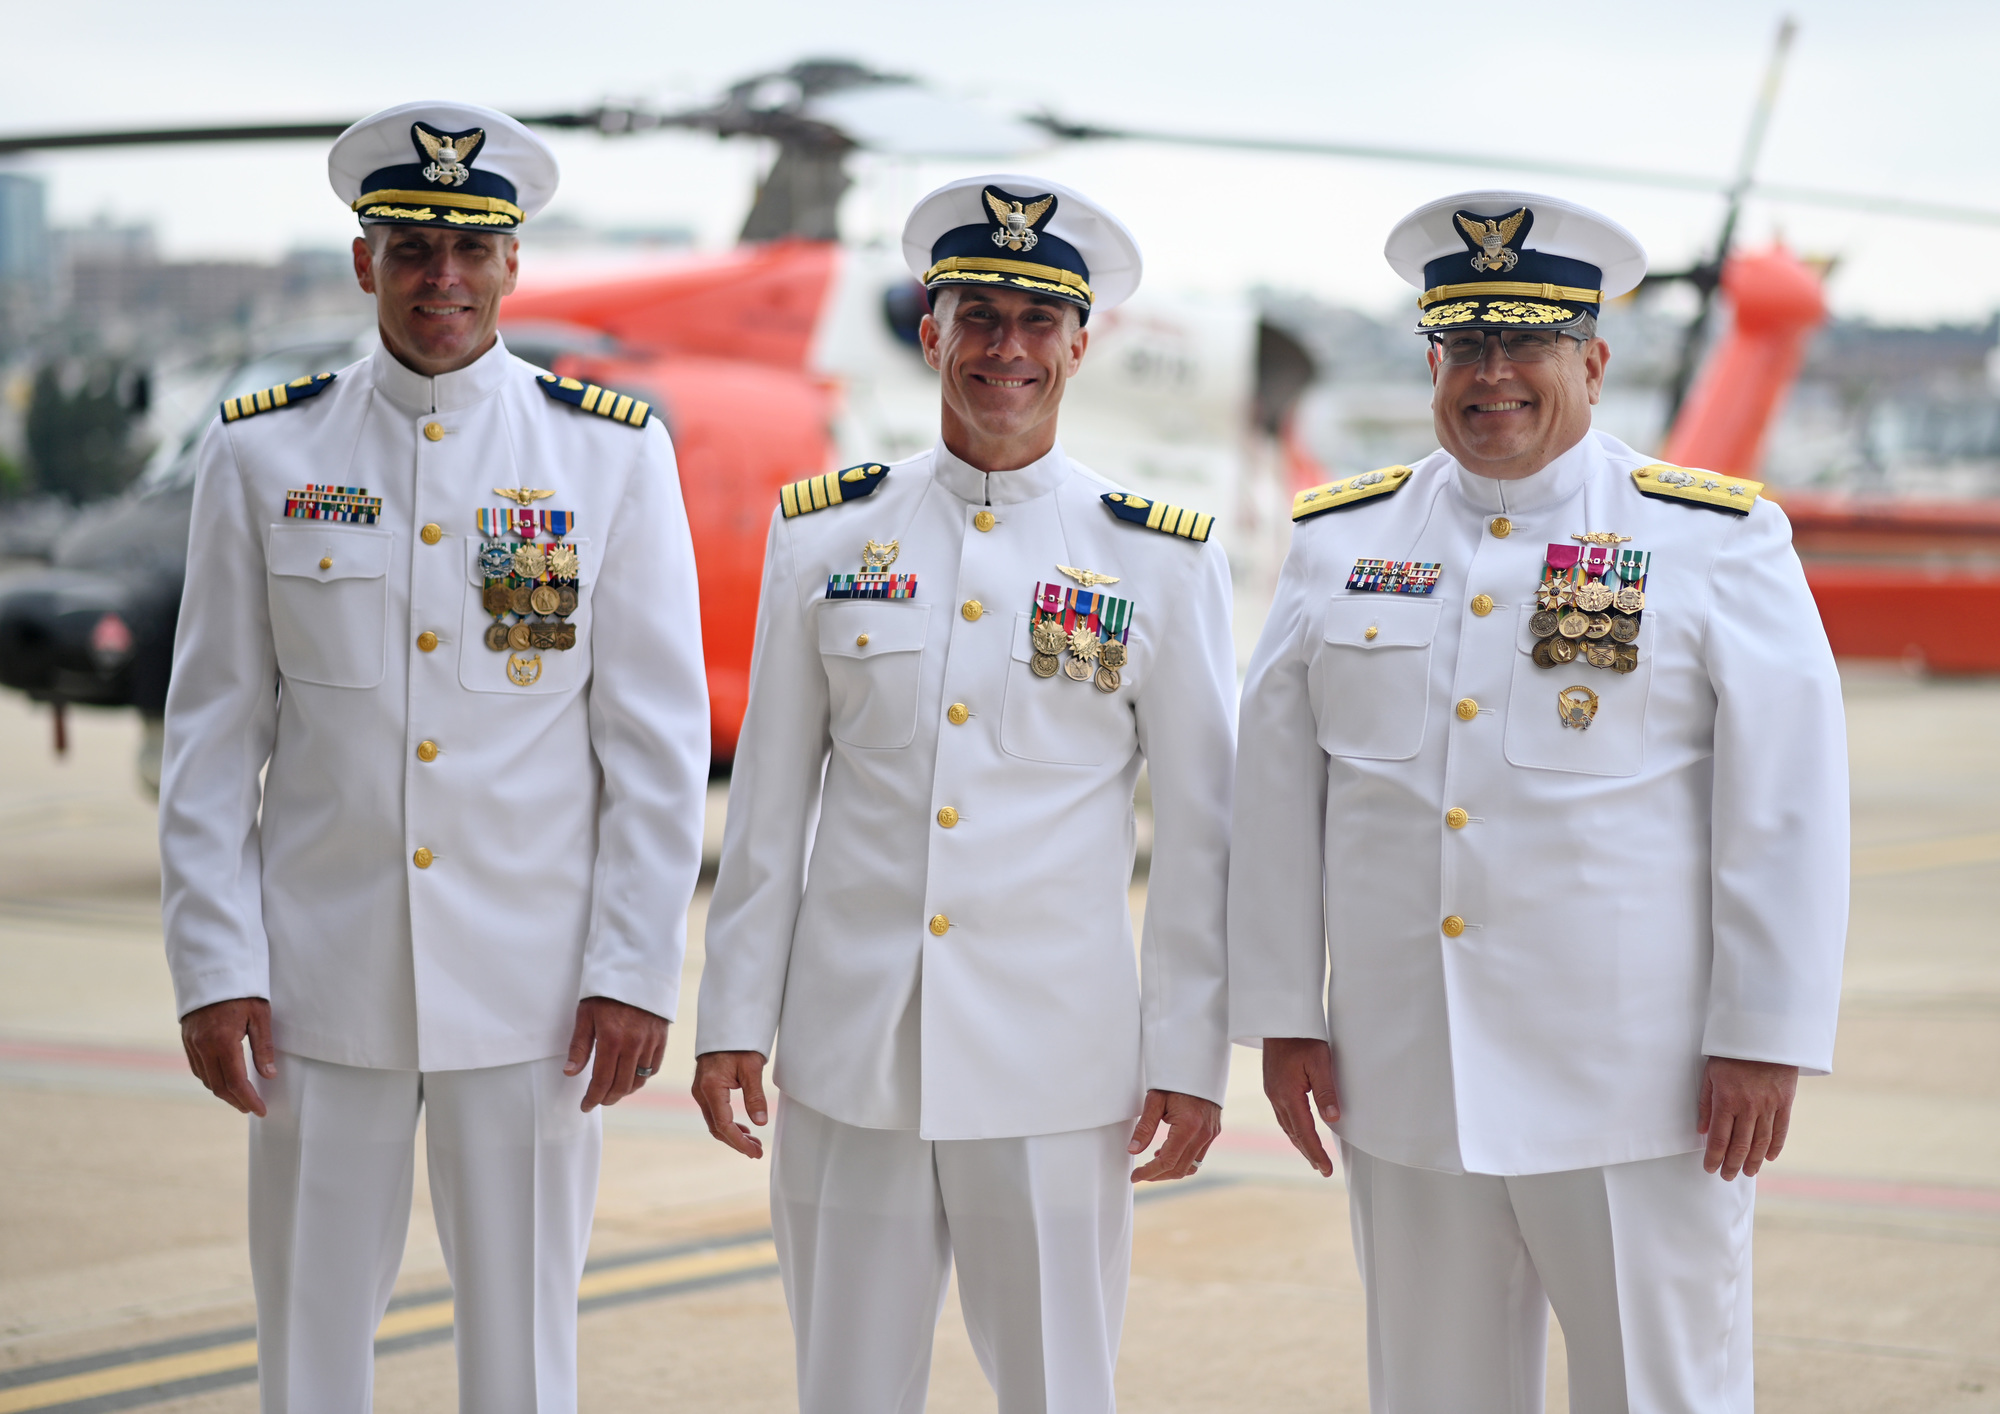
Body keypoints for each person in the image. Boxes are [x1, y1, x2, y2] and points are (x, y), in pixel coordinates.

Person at [1228, 190, 1848, 1412]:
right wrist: (1281, 1013)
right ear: (1431, 359)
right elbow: (1274, 791)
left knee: (1659, 1391)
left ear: (1592, 360)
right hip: (1408, 1080)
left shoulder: (1712, 541)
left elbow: (1787, 801)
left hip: (1639, 1085)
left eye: (1523, 343)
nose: (1491, 373)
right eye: (1464, 343)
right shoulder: (1338, 544)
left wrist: (1762, 1034)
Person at [158, 100, 708, 1414]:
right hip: (315, 984)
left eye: (471, 247)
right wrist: (215, 963)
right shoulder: (263, 451)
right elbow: (212, 735)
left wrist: (634, 968)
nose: (442, 276)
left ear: (516, 263)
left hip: (531, 998)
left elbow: (654, 742)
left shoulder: (607, 457)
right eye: (411, 246)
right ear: (366, 262)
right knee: (307, 1349)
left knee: (521, 1358)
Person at [691, 174, 1235, 1413]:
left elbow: (1204, 835)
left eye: (1036, 321)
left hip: (1056, 1068)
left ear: (1080, 344)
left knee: (1056, 1390)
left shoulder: (1152, 555)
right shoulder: (826, 537)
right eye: (976, 316)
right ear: (928, 329)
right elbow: (768, 806)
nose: (1005, 349)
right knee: (843, 1390)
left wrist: (1189, 1051)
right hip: (848, 1058)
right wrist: (733, 1016)